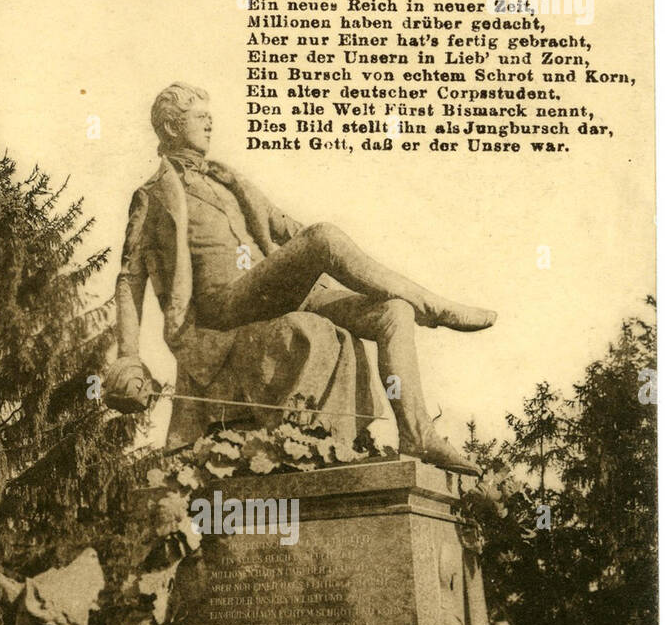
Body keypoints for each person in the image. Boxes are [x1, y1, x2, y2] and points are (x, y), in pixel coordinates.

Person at [111, 82, 497, 474]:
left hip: (273, 290)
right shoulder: (154, 194)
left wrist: (311, 254)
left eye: (211, 116)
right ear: (172, 128)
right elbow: (129, 278)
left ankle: (417, 435)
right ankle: (432, 306)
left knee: (393, 312)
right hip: (224, 305)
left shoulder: (227, 179)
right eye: (200, 117)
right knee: (324, 237)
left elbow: (282, 226)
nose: (211, 123)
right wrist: (128, 356)